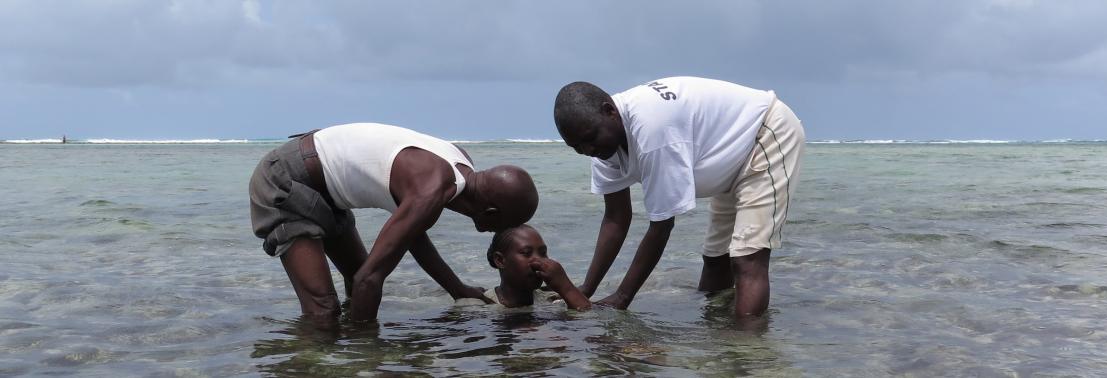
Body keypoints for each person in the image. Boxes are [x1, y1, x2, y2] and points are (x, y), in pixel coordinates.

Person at [552, 76, 805, 319]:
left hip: (765, 133)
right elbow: (616, 219)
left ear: (610, 111)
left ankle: (745, 352)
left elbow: (662, 226)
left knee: (747, 258)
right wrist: (585, 289)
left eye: (590, 139)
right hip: (730, 154)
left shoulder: (652, 130)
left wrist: (622, 297)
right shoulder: (601, 147)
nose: (587, 151)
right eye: (576, 147)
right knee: (716, 258)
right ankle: (718, 336)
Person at [249, 122, 539, 323]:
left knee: (356, 283)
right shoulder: (432, 190)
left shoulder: (460, 164)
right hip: (286, 178)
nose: (501, 233)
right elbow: (370, 279)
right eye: (506, 225)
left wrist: (457, 289)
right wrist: (370, 354)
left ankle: (339, 353)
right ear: (489, 214)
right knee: (324, 310)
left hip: (327, 188)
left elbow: (412, 234)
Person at [479, 224, 591, 310]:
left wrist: (566, 287)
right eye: (527, 253)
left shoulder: (553, 300)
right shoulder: (481, 305)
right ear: (500, 260)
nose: (538, 261)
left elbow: (591, 322)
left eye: (543, 253)